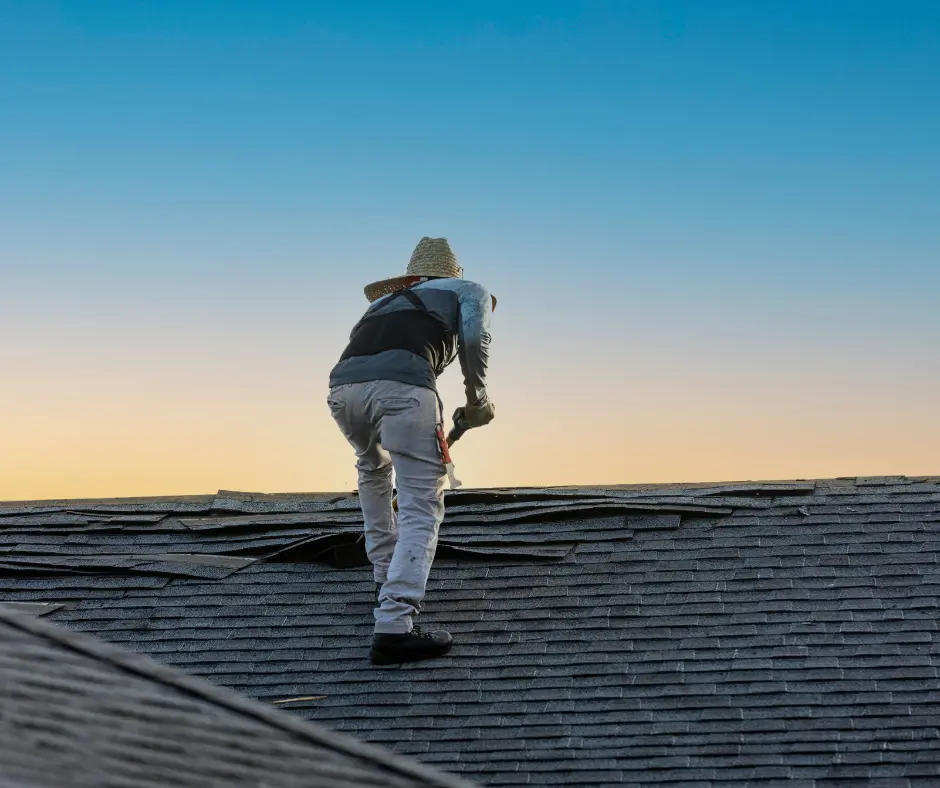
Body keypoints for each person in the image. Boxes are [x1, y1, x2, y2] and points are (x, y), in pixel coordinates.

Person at [327, 237, 496, 665]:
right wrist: (477, 402)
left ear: (411, 277)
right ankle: (395, 624)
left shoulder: (380, 307)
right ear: (452, 274)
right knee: (422, 503)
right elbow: (476, 341)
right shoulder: (468, 291)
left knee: (372, 472)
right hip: (405, 391)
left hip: (343, 389)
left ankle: (385, 579)